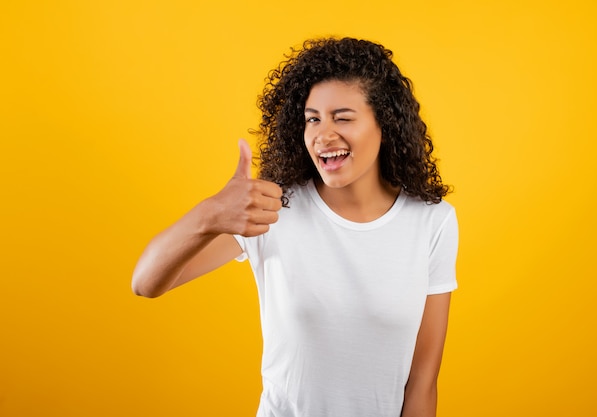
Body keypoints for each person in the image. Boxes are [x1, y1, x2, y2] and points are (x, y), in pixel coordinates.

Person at [132, 37, 458, 417]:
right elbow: (146, 282)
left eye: (343, 117)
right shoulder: (273, 209)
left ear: (384, 124)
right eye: (312, 119)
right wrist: (210, 213)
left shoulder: (432, 220)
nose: (322, 134)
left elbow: (422, 383)